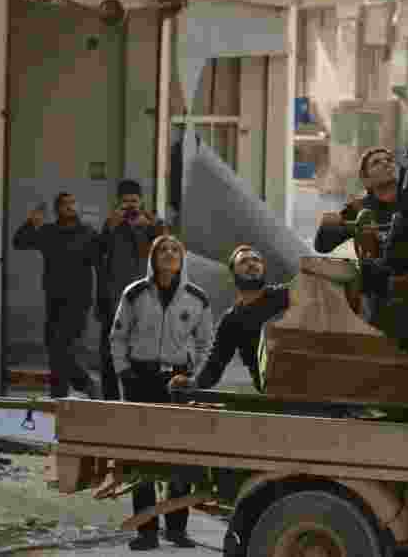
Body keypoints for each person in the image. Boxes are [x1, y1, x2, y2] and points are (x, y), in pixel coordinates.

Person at [110, 235, 212, 551]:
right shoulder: (135, 293)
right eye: (162, 250)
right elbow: (118, 336)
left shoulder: (196, 298)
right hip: (139, 380)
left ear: (182, 259)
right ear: (152, 258)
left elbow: (207, 343)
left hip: (177, 384)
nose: (168, 254)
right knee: (141, 459)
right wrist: (124, 372)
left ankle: (177, 530)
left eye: (174, 250)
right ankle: (146, 532)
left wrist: (194, 377)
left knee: (179, 456)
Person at [168, 245, 290, 393]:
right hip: (273, 391)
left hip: (306, 376)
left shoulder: (287, 295)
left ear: (263, 268)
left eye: (256, 260)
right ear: (233, 273)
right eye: (243, 261)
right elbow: (215, 364)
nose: (251, 263)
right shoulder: (232, 321)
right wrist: (192, 383)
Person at [12, 193, 100, 399]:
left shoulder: (88, 233)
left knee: (62, 348)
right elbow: (19, 242)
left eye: (72, 203)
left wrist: (101, 297)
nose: (69, 207)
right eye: (64, 204)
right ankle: (60, 395)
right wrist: (31, 223)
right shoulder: (48, 232)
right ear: (57, 209)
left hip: (79, 301)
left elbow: (100, 263)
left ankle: (82, 383)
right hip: (54, 299)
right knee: (55, 350)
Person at [96, 179, 166, 400]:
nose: (130, 207)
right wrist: (110, 227)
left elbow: (167, 251)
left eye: (134, 202)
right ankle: (110, 401)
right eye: (125, 202)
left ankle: (136, 400)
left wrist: (152, 228)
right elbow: (97, 254)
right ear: (119, 203)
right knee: (109, 356)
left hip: (144, 302)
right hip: (114, 301)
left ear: (141, 201)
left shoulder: (152, 225)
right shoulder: (111, 225)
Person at [314, 147, 398, 255]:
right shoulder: (358, 208)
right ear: (366, 178)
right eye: (376, 162)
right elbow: (322, 247)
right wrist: (325, 227)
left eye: (389, 160)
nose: (386, 163)